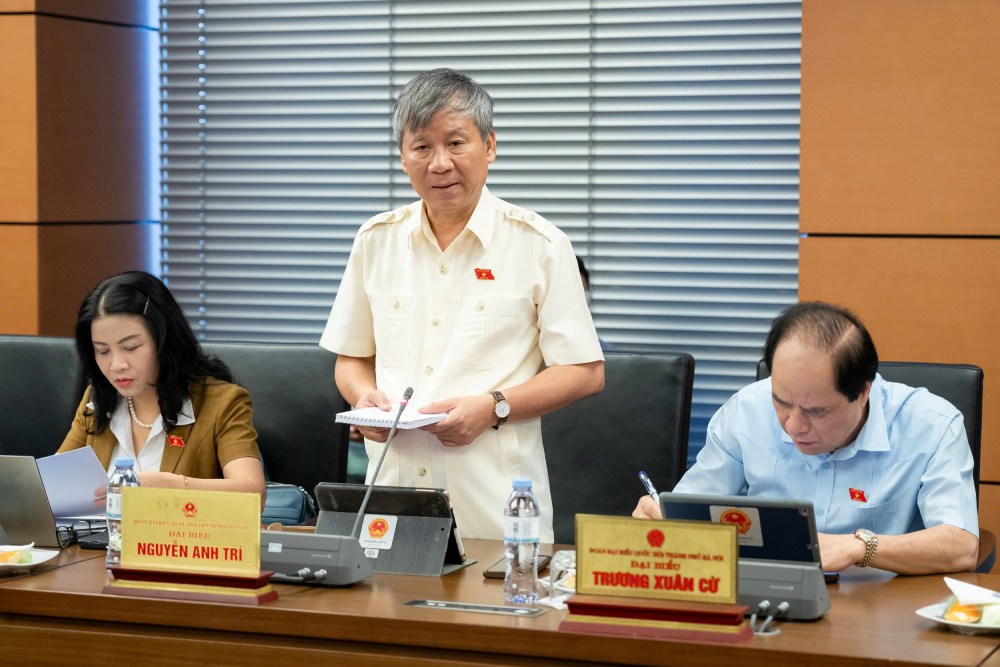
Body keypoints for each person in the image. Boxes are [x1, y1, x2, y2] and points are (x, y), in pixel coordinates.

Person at [320, 68, 605, 542]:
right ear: (403, 156)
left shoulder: (539, 245)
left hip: (497, 511)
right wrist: (360, 397)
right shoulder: (376, 241)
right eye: (422, 147)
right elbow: (351, 357)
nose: (439, 163)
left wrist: (493, 407)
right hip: (391, 502)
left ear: (489, 146)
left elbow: (585, 372)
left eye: (455, 143)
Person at [633, 301, 980, 575]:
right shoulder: (745, 412)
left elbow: (960, 546)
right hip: (764, 601)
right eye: (781, 402)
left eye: (816, 412)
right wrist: (666, 519)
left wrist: (859, 547)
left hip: (883, 612)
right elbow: (691, 512)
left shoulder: (932, 426)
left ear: (862, 392)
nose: (793, 426)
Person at [58, 271, 266, 502]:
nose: (117, 365)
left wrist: (173, 486)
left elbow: (253, 494)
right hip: (103, 538)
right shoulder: (97, 401)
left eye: (131, 347)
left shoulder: (222, 403)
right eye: (103, 351)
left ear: (164, 340)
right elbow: (54, 486)